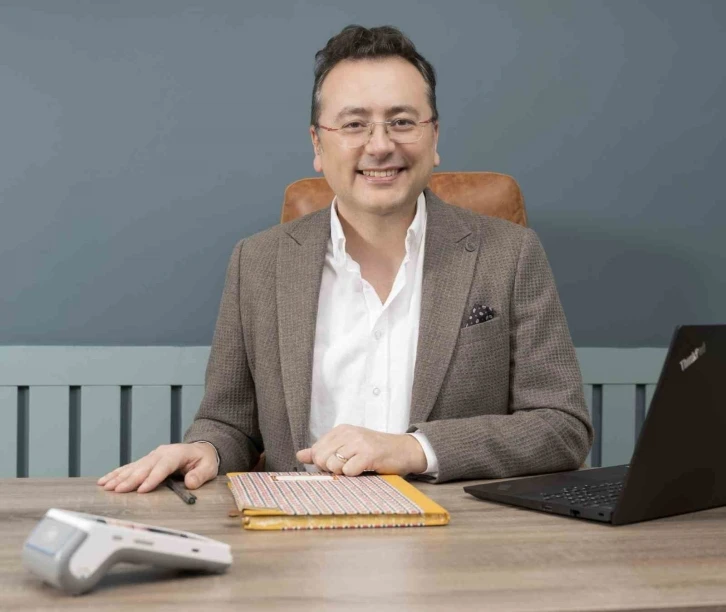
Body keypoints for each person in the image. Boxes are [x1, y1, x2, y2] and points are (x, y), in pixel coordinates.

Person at [98, 25, 592, 494]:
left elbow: (562, 427)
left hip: (451, 537)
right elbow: (229, 424)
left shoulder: (510, 254)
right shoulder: (257, 262)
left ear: (435, 137)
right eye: (354, 124)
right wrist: (205, 448)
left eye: (402, 122)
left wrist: (414, 449)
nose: (380, 145)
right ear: (317, 143)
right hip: (296, 531)